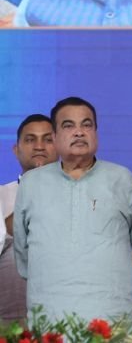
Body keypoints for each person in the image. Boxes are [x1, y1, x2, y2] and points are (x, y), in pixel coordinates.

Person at [13, 98, 132, 320]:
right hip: (50, 314)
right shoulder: (31, 183)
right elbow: (23, 253)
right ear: (55, 137)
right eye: (68, 125)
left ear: (96, 132)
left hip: (113, 314)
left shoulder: (122, 179)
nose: (79, 132)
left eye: (87, 125)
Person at [1, 115, 58, 322]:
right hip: (11, 318)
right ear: (16, 150)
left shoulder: (79, 194)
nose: (39, 146)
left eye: (48, 139)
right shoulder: (1, 195)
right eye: (30, 139)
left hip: (67, 313)